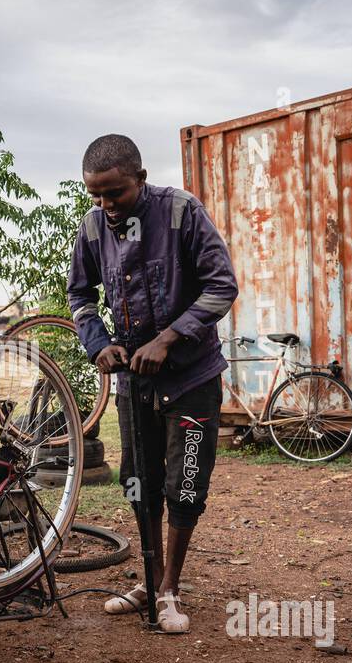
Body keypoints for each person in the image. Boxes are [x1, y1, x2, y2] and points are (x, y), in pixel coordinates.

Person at [67, 134, 238, 633]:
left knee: (185, 484)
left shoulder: (182, 212)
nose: (106, 205)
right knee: (139, 484)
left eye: (115, 192)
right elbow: (80, 295)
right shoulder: (92, 229)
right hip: (134, 385)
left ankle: (169, 590)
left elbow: (221, 284)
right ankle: (150, 578)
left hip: (191, 378)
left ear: (140, 179)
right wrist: (99, 345)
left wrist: (168, 338)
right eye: (95, 196)